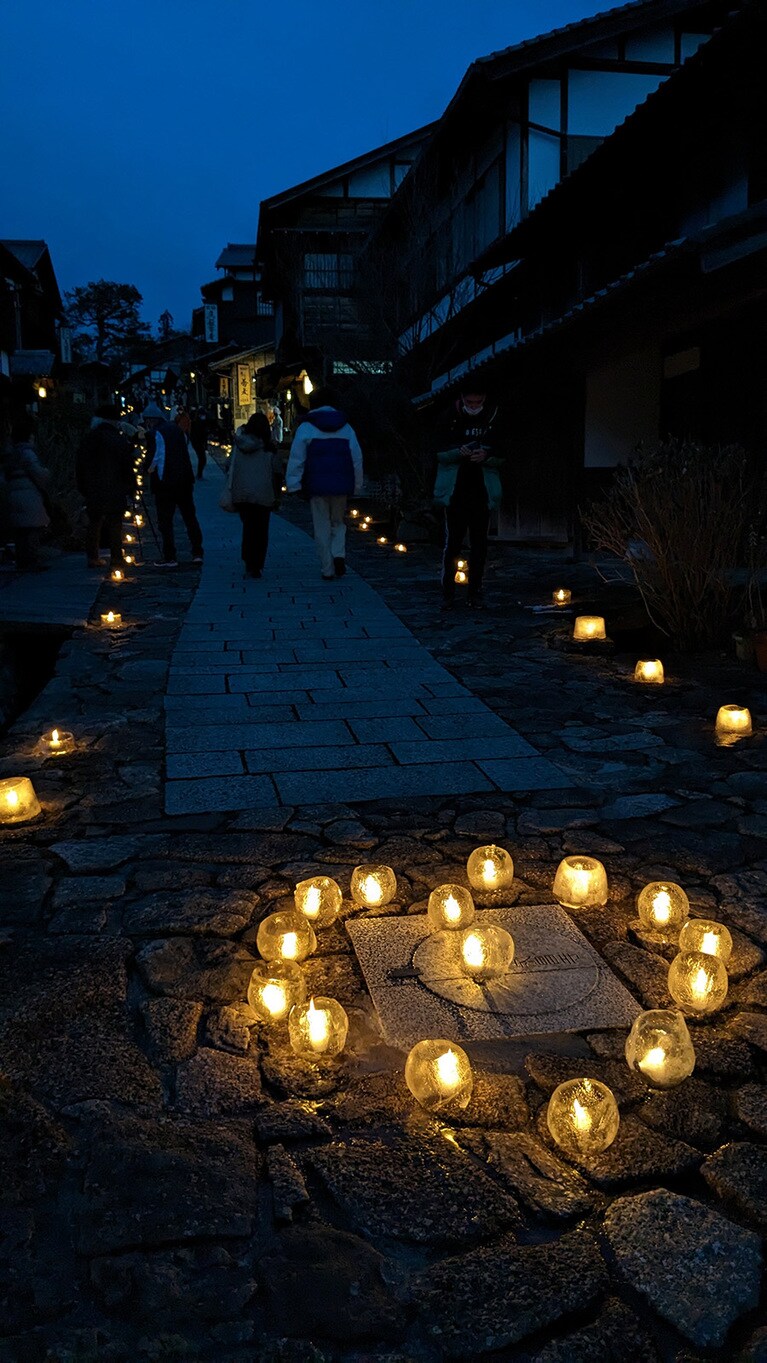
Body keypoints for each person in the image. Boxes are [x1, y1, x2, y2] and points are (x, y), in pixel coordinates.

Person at [433, 383, 506, 609]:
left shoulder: (494, 417)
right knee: (452, 544)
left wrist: (486, 455)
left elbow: (504, 453)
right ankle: (448, 593)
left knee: (479, 546)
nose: (474, 407)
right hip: (455, 491)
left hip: (482, 491)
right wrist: (458, 452)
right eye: (470, 403)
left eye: (478, 403)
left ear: (484, 398)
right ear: (462, 398)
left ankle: (475, 592)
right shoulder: (449, 417)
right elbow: (438, 452)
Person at [285, 387, 363, 579]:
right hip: (341, 485)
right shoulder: (346, 427)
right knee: (338, 522)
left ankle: (327, 568)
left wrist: (293, 484)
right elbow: (356, 459)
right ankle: (339, 554)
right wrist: (357, 485)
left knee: (321, 526)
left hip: (317, 485)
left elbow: (297, 459)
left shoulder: (306, 427)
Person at [143, 400, 204, 568]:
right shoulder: (176, 430)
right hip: (184, 480)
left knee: (165, 521)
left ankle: (170, 556)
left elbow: (155, 459)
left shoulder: (156, 433)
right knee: (189, 517)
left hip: (165, 484)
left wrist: (146, 469)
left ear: (150, 419)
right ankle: (197, 552)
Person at [75, 403, 133, 569]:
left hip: (93, 488)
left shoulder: (89, 438)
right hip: (115, 487)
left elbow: (80, 465)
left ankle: (93, 557)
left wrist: (83, 486)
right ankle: (116, 558)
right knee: (115, 524)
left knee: (94, 523)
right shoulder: (118, 439)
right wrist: (130, 485)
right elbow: (126, 465)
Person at [228, 412, 283, 579]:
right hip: (264, 493)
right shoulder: (269, 448)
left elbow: (228, 465)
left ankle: (248, 560)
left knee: (248, 527)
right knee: (261, 530)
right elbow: (277, 472)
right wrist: (278, 494)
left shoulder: (239, 445)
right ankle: (257, 564)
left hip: (242, 493)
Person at [3, 418, 50, 570]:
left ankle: (22, 560)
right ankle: (32, 560)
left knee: (20, 530)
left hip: (12, 492)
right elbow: (37, 472)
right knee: (32, 529)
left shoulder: (10, 454)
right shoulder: (27, 453)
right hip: (27, 492)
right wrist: (46, 474)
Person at [189, 408, 209, 479]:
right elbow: (194, 434)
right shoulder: (196, 423)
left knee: (202, 459)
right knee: (202, 459)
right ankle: (199, 474)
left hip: (200, 443)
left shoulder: (203, 423)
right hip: (198, 443)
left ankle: (199, 474)